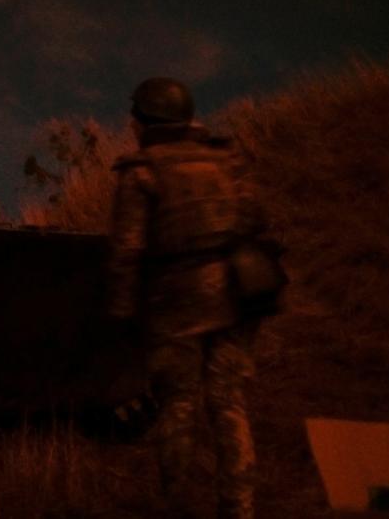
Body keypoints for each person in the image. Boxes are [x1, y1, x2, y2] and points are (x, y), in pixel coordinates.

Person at [107, 78, 265, 519]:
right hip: (235, 294)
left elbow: (126, 253)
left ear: (145, 121)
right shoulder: (226, 157)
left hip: (175, 303)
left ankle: (175, 505)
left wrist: (121, 315)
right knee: (229, 404)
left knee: (178, 403)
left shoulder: (141, 172)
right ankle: (239, 507)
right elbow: (254, 218)